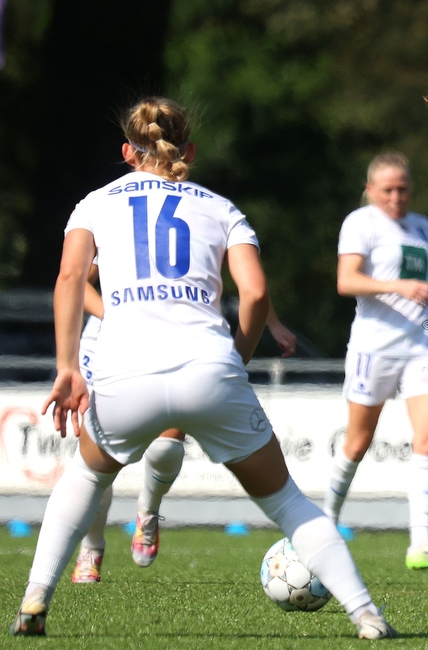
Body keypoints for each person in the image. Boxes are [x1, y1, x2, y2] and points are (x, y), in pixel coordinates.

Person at [9, 97, 394, 639]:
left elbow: (71, 279)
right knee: (286, 501)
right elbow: (256, 293)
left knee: (86, 476)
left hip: (123, 372)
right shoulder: (220, 208)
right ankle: (367, 616)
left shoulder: (94, 203)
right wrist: (235, 357)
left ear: (126, 151)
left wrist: (68, 366)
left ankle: (34, 603)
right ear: (188, 150)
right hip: (208, 365)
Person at [70, 265, 298, 582]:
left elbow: (248, 277)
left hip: (180, 334)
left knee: (168, 440)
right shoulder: (111, 214)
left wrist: (271, 322)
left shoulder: (208, 214)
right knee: (99, 455)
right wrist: (115, 317)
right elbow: (76, 279)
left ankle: (148, 509)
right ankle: (91, 547)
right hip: (109, 340)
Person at [324, 151, 428, 570]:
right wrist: (400, 285)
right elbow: (348, 281)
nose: (397, 196)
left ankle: (420, 542)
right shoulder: (359, 223)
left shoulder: (421, 226)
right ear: (370, 190)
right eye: (387, 190)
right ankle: (323, 523)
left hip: (422, 344)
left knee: (427, 440)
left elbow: (417, 285)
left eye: (403, 189)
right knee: (357, 442)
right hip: (374, 346)